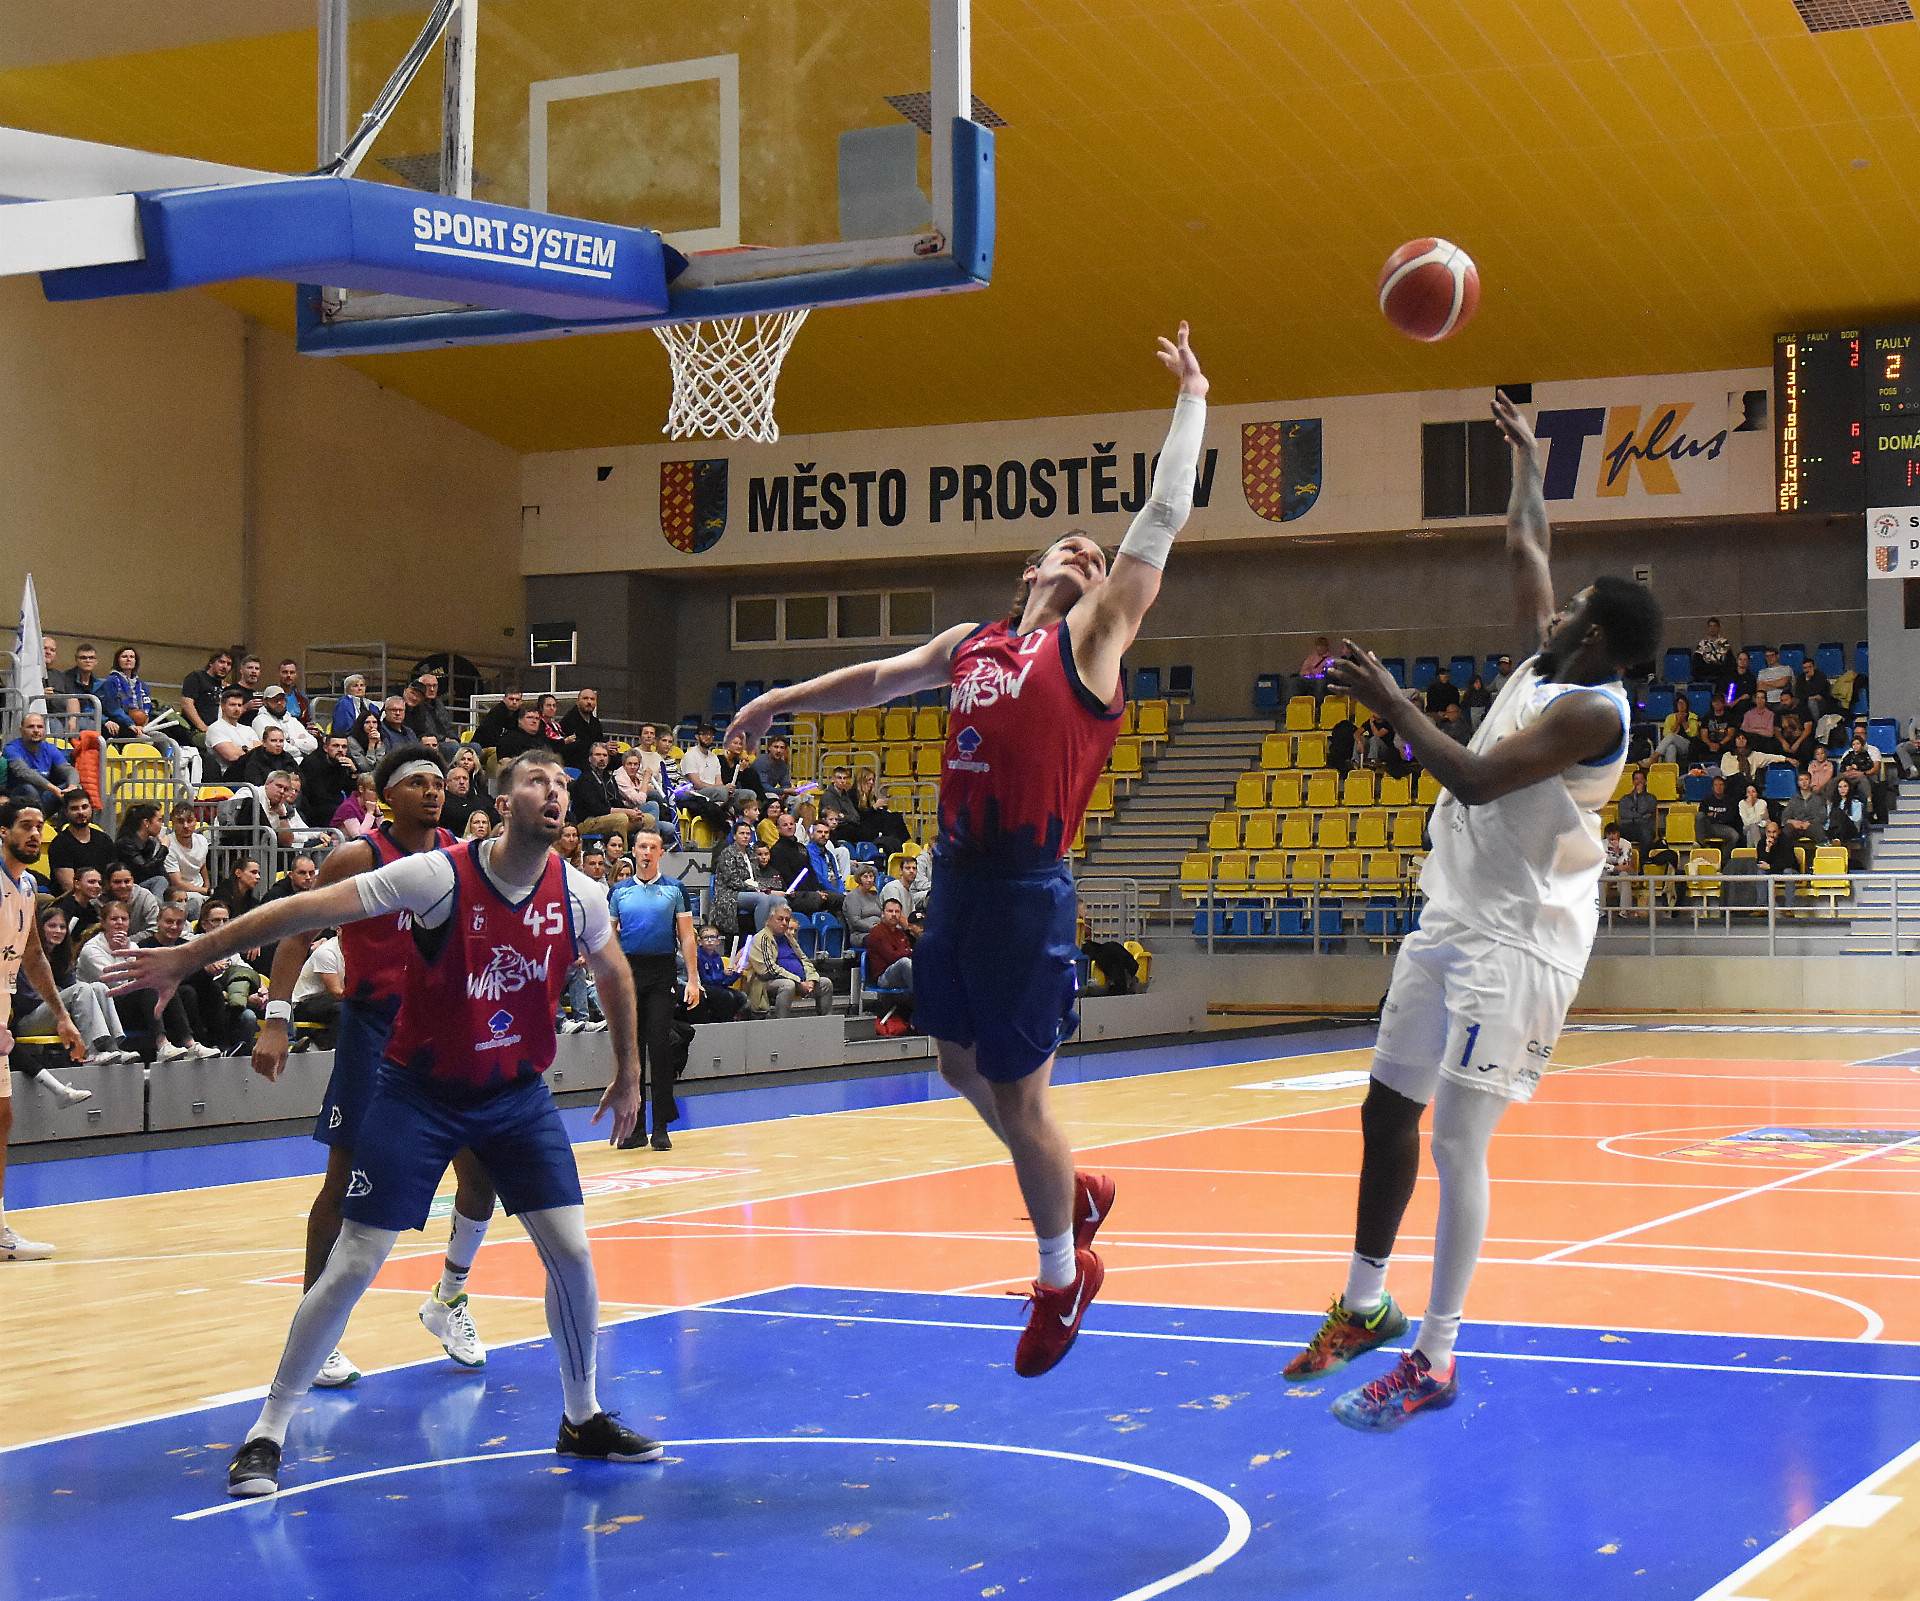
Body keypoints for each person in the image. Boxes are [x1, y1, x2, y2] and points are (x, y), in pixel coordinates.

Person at [728, 320, 1208, 1378]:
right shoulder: (972, 644)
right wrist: (780, 696)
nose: (1089, 555)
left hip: (1027, 887)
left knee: (1021, 1093)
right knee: (953, 1058)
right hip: (957, 881)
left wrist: (1192, 401)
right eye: (1070, 548)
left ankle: (1061, 1273)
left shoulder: (1094, 637)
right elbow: (873, 680)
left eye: (1099, 555)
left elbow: (1164, 515)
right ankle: (1074, 1189)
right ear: (1030, 569)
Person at [108, 747, 656, 1497]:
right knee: (355, 1260)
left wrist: (629, 1070)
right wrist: (192, 954)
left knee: (572, 1250)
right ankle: (269, 1428)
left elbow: (614, 970)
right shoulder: (438, 875)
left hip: (515, 1094)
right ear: (503, 804)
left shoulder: (580, 892)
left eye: (562, 782)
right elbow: (304, 913)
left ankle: (581, 1415)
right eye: (537, 780)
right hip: (420, 1090)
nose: (555, 791)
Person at [1282, 389, 1661, 1432]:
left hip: (1522, 943)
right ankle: (1367, 1304)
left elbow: (1478, 779)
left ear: (1597, 632)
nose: (1558, 601)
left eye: (1575, 602)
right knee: (1386, 1108)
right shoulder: (1549, 653)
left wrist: (1392, 701)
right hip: (1453, 916)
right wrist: (1529, 461)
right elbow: (1527, 543)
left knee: (1456, 1142)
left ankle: (1437, 1358)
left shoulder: (1593, 711)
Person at [251, 746, 498, 1386]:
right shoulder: (358, 857)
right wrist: (276, 1019)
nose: (434, 790)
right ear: (386, 796)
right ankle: (315, 1333)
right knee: (344, 1182)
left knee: (483, 1172)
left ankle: (449, 1299)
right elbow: (297, 936)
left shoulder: (459, 856)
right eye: (418, 782)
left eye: (439, 782)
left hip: (444, 1029)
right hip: (376, 1030)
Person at [0, 800, 89, 1257]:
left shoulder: (30, 885)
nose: (36, 834)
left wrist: (61, 1015)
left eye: (40, 827)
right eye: (25, 826)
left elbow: (33, 956)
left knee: (2, 1117)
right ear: (3, 832)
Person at [607, 828, 699, 1152]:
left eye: (653, 847)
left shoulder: (675, 889)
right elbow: (610, 937)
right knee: (632, 1056)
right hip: (629, 976)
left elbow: (686, 936)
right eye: (642, 846)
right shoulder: (618, 891)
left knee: (659, 1048)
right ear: (633, 851)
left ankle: (661, 1127)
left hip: (662, 974)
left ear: (661, 853)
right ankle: (636, 1129)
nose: (647, 852)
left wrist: (693, 979)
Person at [19, 900, 136, 1068]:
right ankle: (90, 1052)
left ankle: (113, 1047)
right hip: (29, 1020)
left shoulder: (62, 957)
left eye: (62, 927)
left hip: (59, 1013)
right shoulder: (26, 957)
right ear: (39, 929)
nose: (58, 931)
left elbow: (71, 987)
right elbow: (27, 1000)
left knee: (98, 987)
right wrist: (59, 994)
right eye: (52, 926)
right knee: (81, 989)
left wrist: (62, 995)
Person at [744, 900, 835, 1017]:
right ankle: (782, 1022)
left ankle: (826, 1022)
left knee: (825, 983)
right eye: (780, 919)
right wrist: (798, 981)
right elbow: (769, 970)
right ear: (769, 920)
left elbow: (804, 960)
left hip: (798, 981)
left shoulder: (788, 937)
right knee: (788, 985)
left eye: (787, 920)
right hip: (767, 983)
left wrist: (811, 980)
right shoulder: (762, 938)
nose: (784, 923)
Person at [708, 821, 770, 941]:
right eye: (742, 833)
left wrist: (764, 888)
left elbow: (757, 876)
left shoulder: (751, 853)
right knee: (762, 899)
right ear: (735, 836)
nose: (745, 836)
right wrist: (755, 889)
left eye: (748, 834)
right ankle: (761, 939)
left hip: (751, 891)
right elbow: (732, 881)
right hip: (729, 894)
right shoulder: (727, 853)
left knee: (778, 900)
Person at [46, 790, 117, 896]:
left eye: (84, 807)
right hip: (73, 901)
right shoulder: (59, 844)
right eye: (74, 808)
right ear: (66, 811)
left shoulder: (103, 839)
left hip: (103, 897)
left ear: (91, 808)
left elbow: (113, 876)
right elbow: (70, 887)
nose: (81, 812)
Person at [4, 711, 79, 804]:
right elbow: (25, 773)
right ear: (21, 730)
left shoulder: (49, 748)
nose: (36, 730)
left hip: (44, 796)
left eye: (40, 727)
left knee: (74, 789)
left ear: (45, 731)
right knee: (29, 789)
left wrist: (72, 786)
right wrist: (54, 789)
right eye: (30, 727)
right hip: (19, 799)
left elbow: (69, 770)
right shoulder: (11, 749)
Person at [864, 897, 917, 1025]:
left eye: (897, 912)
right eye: (890, 911)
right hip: (884, 978)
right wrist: (907, 951)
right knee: (904, 962)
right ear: (883, 913)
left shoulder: (901, 933)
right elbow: (892, 957)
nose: (894, 914)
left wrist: (905, 952)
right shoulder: (877, 933)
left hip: (901, 974)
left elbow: (906, 953)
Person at [684, 926, 750, 1022]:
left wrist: (736, 974)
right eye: (706, 937)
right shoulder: (698, 956)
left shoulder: (717, 957)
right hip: (705, 987)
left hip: (718, 986)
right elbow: (706, 980)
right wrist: (724, 974)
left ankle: (730, 1019)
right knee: (727, 996)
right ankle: (723, 1021)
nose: (709, 940)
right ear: (699, 941)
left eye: (712, 937)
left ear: (718, 941)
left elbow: (725, 982)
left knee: (741, 996)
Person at [206, 687, 262, 781]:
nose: (237, 709)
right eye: (232, 705)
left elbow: (261, 752)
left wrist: (242, 749)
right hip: (229, 778)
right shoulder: (216, 728)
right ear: (222, 706)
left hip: (253, 773)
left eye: (239, 705)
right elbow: (232, 756)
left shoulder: (248, 729)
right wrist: (250, 749)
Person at [180, 648, 234, 742]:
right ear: (211, 663)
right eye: (221, 662)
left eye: (228, 664)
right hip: (195, 732)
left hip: (220, 732)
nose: (225, 667)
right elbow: (187, 704)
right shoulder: (197, 677)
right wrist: (203, 727)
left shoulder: (227, 688)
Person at [54, 866, 105, 947]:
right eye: (91, 882)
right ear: (77, 884)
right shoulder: (64, 907)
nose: (97, 886)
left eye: (99, 883)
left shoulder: (92, 909)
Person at [1613, 768, 1656, 853]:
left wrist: (1640, 795)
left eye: (1641, 779)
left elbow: (1645, 809)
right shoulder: (1625, 799)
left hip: (1644, 827)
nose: (1639, 781)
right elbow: (1624, 814)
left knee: (1646, 833)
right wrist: (1641, 816)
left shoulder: (1651, 798)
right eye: (1636, 779)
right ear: (1633, 781)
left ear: (1645, 781)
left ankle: (1643, 859)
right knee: (1612, 831)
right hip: (1627, 826)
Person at [842, 861, 887, 939]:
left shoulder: (874, 895)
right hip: (860, 935)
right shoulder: (853, 896)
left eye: (871, 877)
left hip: (879, 931)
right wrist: (875, 929)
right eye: (865, 877)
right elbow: (855, 921)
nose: (869, 880)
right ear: (859, 879)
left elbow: (882, 915)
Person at [1700, 776, 1742, 852]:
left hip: (1723, 827)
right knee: (1699, 816)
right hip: (1708, 826)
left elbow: (1729, 818)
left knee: (1735, 836)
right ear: (1712, 787)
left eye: (1721, 785)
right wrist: (1720, 816)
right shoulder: (1706, 800)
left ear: (1724, 787)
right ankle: (1700, 845)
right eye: (1716, 785)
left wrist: (1715, 815)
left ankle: (1725, 857)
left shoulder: (1730, 801)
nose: (1718, 787)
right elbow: (1703, 816)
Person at [330, 672, 374, 736]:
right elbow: (344, 728)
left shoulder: (370, 704)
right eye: (355, 685)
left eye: (362, 685)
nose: (360, 688)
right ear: (348, 689)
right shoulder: (344, 703)